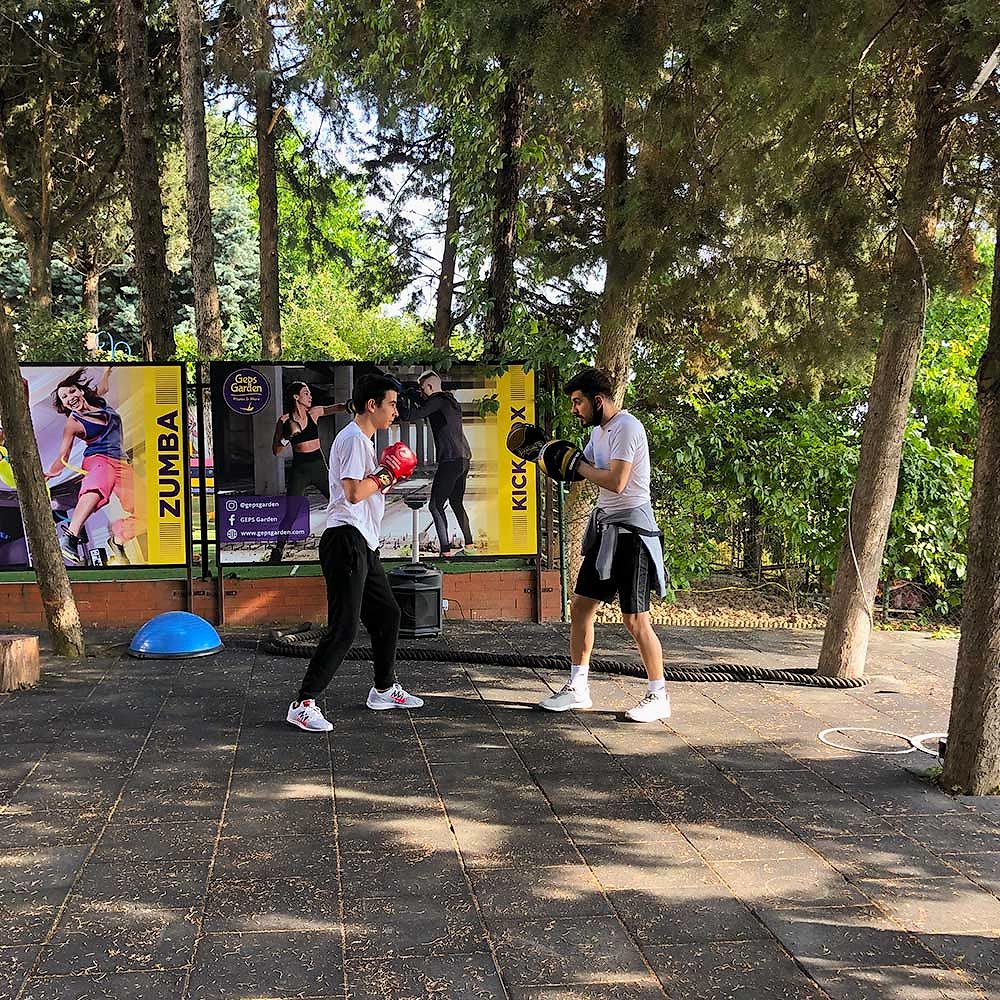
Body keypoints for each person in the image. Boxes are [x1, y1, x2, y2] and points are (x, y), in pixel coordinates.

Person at [530, 367, 670, 723]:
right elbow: (580, 471)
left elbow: (617, 481)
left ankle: (659, 695)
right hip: (606, 530)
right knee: (580, 607)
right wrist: (545, 456)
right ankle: (578, 688)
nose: (574, 409)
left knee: (635, 619)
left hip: (634, 535)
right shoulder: (599, 432)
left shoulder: (627, 427)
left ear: (597, 400)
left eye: (578, 402)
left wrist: (578, 465)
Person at [286, 373, 424, 732]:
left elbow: (369, 489)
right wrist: (386, 475)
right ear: (371, 405)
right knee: (344, 628)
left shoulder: (364, 440)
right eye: (391, 404)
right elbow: (353, 493)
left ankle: (383, 689)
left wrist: (388, 477)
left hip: (363, 541)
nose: (395, 411)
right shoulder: (352, 440)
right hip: (346, 540)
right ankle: (303, 703)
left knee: (388, 615)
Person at [45, 366, 137, 566]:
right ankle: (70, 537)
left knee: (149, 511)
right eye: (64, 397)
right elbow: (63, 455)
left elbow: (103, 388)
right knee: (98, 484)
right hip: (98, 459)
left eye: (71, 391)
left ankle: (118, 539)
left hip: (121, 462)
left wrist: (107, 372)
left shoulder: (97, 401)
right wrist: (51, 472)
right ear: (64, 405)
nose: (70, 397)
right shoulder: (73, 423)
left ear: (80, 391)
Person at [268, 381, 346, 563]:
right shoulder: (284, 420)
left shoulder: (314, 413)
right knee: (291, 513)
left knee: (340, 504)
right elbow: (276, 451)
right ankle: (278, 550)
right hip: (300, 470)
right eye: (306, 393)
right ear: (296, 397)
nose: (310, 396)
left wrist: (352, 404)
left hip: (318, 466)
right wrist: (286, 438)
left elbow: (335, 408)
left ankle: (352, 542)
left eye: (310, 393)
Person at [401, 370, 474, 558]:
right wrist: (407, 391)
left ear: (430, 386)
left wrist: (396, 402)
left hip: (450, 460)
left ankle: (446, 551)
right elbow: (423, 402)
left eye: (422, 388)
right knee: (456, 502)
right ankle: (470, 545)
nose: (421, 392)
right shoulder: (449, 401)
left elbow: (410, 415)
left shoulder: (437, 401)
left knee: (435, 506)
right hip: (463, 459)